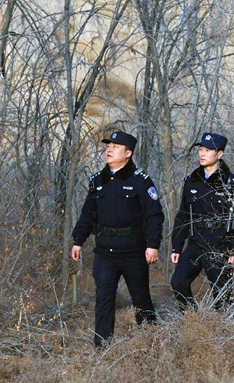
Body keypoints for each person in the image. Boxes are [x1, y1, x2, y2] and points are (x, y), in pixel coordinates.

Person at [71, 130, 165, 346]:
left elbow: (154, 215)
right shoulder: (98, 180)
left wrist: (153, 245)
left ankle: (151, 344)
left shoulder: (140, 181)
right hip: (105, 251)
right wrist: (78, 240)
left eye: (115, 147)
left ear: (128, 153)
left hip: (133, 251)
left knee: (141, 300)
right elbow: (88, 214)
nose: (109, 150)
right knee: (104, 299)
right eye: (108, 146)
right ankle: (102, 349)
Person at [170, 132, 234, 311]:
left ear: (220, 154)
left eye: (208, 150)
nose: (202, 154)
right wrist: (177, 246)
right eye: (201, 150)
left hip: (220, 247)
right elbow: (183, 215)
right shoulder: (192, 181)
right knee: (178, 282)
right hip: (195, 243)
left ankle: (224, 326)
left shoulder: (231, 183)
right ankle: (192, 319)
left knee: (222, 299)